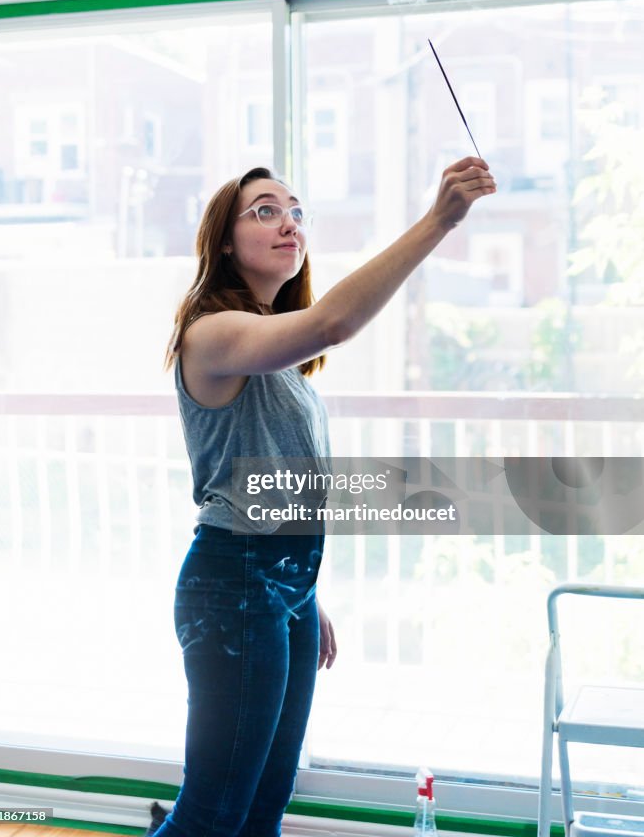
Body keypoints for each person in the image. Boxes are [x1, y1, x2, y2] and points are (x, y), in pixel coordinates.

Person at [151, 156, 496, 837]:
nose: (289, 223)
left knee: (262, 807)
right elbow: (333, 321)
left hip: (281, 588)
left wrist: (305, 593)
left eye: (296, 211)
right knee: (213, 813)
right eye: (265, 210)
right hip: (233, 585)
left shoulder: (278, 360)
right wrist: (437, 221)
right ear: (224, 241)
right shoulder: (211, 332)